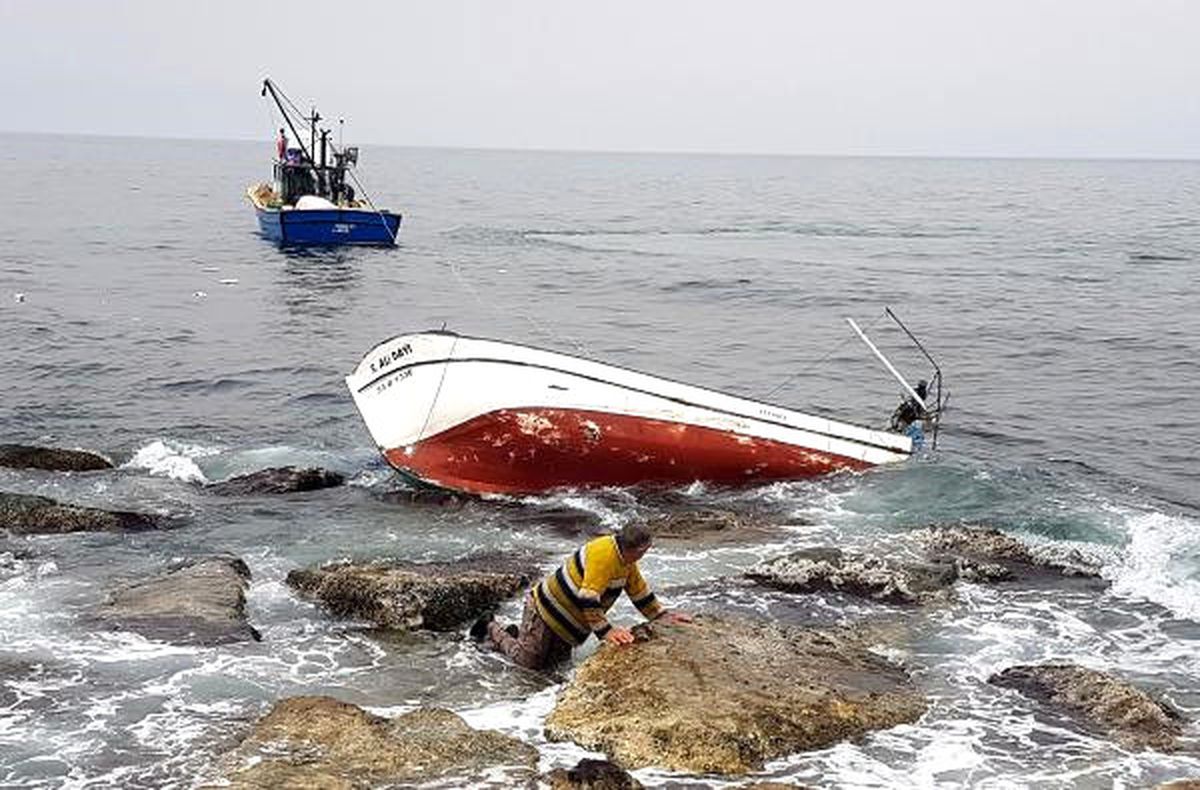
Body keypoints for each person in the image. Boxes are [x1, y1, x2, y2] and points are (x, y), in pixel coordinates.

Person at [472, 523, 691, 670]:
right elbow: (588, 597)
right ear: (638, 549)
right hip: (545, 609)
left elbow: (638, 591)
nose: (646, 554)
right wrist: (607, 632)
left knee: (552, 670)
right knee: (528, 663)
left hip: (569, 623)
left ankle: (517, 635)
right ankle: (491, 627)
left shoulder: (626, 560)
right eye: (645, 550)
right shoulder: (604, 555)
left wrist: (662, 615)